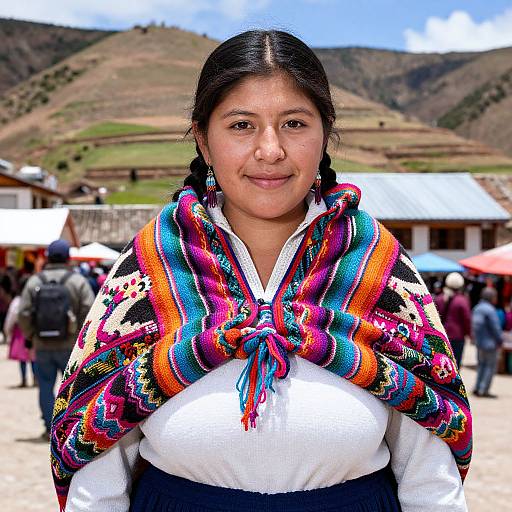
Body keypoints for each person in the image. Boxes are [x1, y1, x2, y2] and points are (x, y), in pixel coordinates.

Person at [51, 30, 471, 512]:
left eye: (294, 123)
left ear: (325, 135)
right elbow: (94, 461)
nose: (270, 150)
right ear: (204, 141)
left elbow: (431, 477)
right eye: (241, 125)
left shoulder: (377, 266)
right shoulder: (150, 268)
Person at [18, 239, 95, 439]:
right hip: (71, 346)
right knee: (72, 388)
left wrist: (30, 336)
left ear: (47, 257)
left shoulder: (35, 281)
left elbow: (23, 313)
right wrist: (80, 336)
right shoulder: (78, 281)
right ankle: (70, 429)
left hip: (42, 344)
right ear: (69, 257)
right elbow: (90, 310)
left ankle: (48, 427)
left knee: (45, 386)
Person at [3, 275, 37, 387]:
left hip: (19, 331)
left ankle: (24, 380)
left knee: (22, 358)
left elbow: (11, 317)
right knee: (33, 357)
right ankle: (35, 379)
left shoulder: (17, 300)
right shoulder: (35, 297)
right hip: (33, 329)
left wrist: (7, 331)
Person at [435, 272, 471, 368]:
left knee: (440, 364)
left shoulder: (439, 299)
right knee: (455, 365)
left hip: (441, 335)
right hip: (457, 337)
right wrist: (469, 334)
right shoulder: (462, 300)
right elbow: (467, 320)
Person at [471, 287, 503, 398]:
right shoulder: (490, 310)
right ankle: (483, 390)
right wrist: (500, 340)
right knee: (490, 367)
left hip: (479, 343)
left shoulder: (477, 308)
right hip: (490, 344)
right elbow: (495, 328)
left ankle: (477, 387)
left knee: (481, 366)